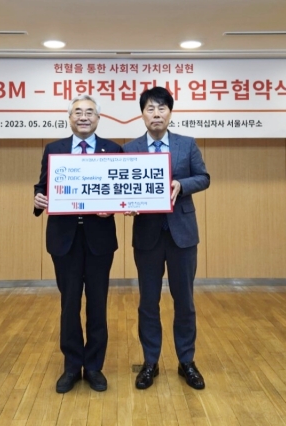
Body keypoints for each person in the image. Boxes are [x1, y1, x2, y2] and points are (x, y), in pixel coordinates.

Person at [33, 94, 122, 393]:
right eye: (78, 112)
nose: (84, 117)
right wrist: (38, 198)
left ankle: (94, 366)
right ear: (69, 118)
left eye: (89, 112)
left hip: (99, 239)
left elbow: (120, 189)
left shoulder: (113, 149)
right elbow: (43, 185)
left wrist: (113, 206)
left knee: (98, 303)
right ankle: (72, 366)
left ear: (98, 118)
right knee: (69, 303)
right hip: (64, 239)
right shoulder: (54, 149)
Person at [123, 87, 210, 390]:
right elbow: (123, 186)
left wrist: (181, 185)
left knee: (184, 301)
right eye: (150, 108)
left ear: (170, 113)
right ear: (142, 114)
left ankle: (187, 361)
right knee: (148, 302)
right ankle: (150, 362)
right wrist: (127, 203)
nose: (156, 114)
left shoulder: (187, 144)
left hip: (182, 235)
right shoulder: (129, 149)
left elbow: (204, 177)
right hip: (147, 236)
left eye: (162, 108)